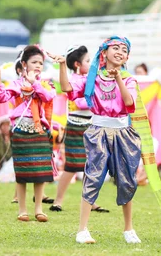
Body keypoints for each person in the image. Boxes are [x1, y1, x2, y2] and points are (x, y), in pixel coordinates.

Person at [54, 36, 161, 244]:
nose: (120, 52)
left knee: (127, 180)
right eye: (115, 48)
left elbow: (128, 102)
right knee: (93, 177)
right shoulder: (92, 78)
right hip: (98, 131)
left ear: (127, 57)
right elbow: (67, 89)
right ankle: (82, 230)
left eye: (124, 49)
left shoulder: (130, 80)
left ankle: (128, 229)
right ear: (104, 53)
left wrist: (118, 79)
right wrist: (62, 65)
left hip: (124, 133)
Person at [0, 45, 56, 223]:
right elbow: (2, 98)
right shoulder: (16, 84)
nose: (38, 65)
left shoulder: (45, 83)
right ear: (24, 64)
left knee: (40, 171)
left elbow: (48, 97)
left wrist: (34, 82)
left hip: (39, 130)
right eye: (34, 62)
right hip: (21, 130)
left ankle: (39, 209)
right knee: (22, 173)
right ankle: (22, 210)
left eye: (41, 63)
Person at [51, 45, 108, 213]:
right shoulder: (75, 80)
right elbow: (80, 102)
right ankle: (58, 200)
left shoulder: (91, 79)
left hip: (90, 126)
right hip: (75, 127)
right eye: (87, 61)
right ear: (77, 64)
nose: (91, 64)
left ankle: (91, 201)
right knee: (72, 166)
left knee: (91, 166)